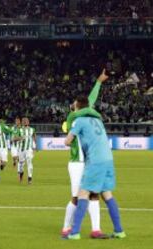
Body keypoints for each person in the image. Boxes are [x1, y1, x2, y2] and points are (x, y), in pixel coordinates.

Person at [64, 95, 126, 240]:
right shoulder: (98, 120)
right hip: (108, 159)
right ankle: (119, 231)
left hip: (96, 160)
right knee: (107, 194)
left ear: (78, 106)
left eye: (74, 104)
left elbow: (68, 141)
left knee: (83, 194)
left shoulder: (79, 120)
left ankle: (74, 233)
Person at [61, 69, 109, 239]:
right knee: (76, 197)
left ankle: (96, 229)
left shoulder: (86, 115)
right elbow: (89, 102)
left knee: (94, 194)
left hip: (89, 162)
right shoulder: (73, 117)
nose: (74, 104)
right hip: (76, 163)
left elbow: (90, 101)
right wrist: (98, 83)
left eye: (76, 102)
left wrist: (99, 82)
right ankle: (66, 227)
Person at [15, 117, 36, 184]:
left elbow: (34, 136)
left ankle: (30, 178)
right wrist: (20, 138)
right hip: (21, 150)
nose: (25, 122)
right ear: (22, 122)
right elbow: (14, 138)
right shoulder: (19, 130)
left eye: (26, 121)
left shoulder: (32, 129)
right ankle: (21, 173)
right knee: (21, 164)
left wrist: (35, 146)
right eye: (24, 121)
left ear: (28, 122)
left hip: (29, 149)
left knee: (29, 161)